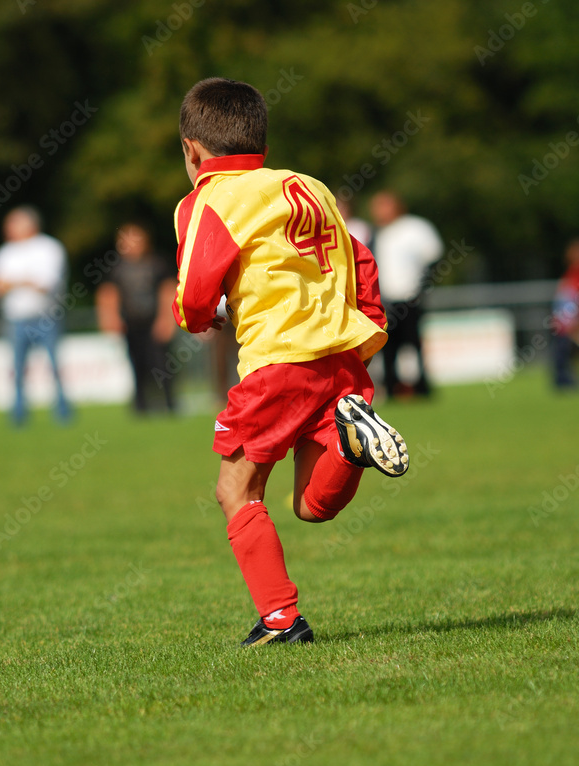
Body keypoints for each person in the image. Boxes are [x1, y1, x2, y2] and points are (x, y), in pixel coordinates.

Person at [172, 78, 409, 647]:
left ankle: (281, 621)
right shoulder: (308, 186)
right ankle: (353, 440)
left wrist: (200, 319)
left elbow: (195, 291)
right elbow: (362, 257)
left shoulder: (207, 198)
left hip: (277, 365)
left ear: (190, 150)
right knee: (310, 506)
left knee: (236, 491)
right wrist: (368, 329)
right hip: (340, 360)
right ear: (262, 145)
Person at [0, 206, 71, 424]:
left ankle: (62, 411)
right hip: (16, 317)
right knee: (16, 368)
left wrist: (12, 282)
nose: (8, 228)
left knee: (54, 366)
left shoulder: (49, 248)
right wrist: (24, 280)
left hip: (46, 316)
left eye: (12, 223)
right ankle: (18, 414)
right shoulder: (5, 252)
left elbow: (45, 284)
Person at [96, 223, 177, 413]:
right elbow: (107, 294)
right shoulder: (116, 268)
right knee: (136, 364)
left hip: (154, 321)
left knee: (162, 364)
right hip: (131, 324)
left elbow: (168, 290)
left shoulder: (157, 263)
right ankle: (140, 406)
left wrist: (167, 319)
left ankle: (169, 403)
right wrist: (110, 318)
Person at [369, 191, 443, 398]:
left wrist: (422, 287)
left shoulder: (415, 228)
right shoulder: (377, 233)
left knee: (414, 344)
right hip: (385, 299)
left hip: (410, 297)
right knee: (388, 346)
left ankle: (421, 387)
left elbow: (433, 257)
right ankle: (392, 387)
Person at [550, 238, 579, 389]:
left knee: (570, 349)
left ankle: (569, 379)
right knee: (561, 349)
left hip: (570, 318)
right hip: (563, 318)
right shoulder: (572, 272)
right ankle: (562, 379)